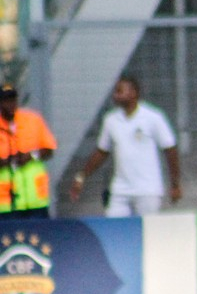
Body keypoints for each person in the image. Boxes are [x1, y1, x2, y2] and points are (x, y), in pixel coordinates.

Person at [69, 76, 182, 217]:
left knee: (145, 233)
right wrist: (82, 176)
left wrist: (175, 184)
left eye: (119, 91)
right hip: (120, 190)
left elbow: (170, 149)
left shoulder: (153, 117)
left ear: (133, 92)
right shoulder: (111, 120)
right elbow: (102, 152)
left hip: (147, 190)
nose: (115, 95)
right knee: (115, 229)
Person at [0, 84, 58, 219]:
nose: (10, 105)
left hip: (35, 200)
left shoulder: (32, 120)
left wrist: (31, 156)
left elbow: (49, 149)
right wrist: (7, 161)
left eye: (13, 100)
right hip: (6, 203)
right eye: (6, 101)